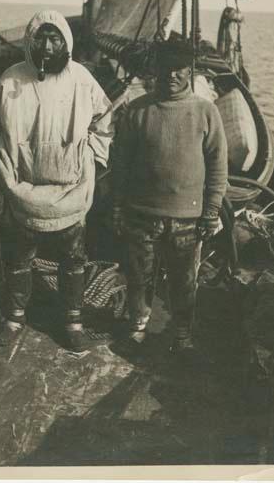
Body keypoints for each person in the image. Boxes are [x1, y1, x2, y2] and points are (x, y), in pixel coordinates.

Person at [0, 10, 113, 352]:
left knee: (73, 259)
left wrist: (94, 157)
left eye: (56, 39)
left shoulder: (82, 79)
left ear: (66, 42)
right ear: (31, 41)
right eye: (42, 38)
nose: (49, 46)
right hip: (21, 188)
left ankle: (72, 319)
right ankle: (15, 316)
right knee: (19, 257)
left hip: (71, 189)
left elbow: (104, 119)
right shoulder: (11, 80)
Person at [112, 41, 228, 353]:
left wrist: (212, 210)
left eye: (179, 70)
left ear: (190, 72)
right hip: (140, 215)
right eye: (166, 69)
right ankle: (137, 325)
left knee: (184, 282)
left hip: (188, 220)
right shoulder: (137, 110)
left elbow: (218, 165)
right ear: (156, 71)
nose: (173, 75)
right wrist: (117, 206)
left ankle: (182, 335)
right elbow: (120, 164)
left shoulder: (206, 112)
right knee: (139, 276)